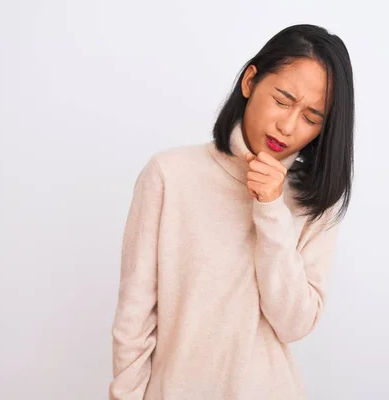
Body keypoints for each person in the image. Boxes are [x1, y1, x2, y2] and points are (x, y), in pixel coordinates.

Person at [109, 23, 354, 400]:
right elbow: (134, 320)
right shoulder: (169, 175)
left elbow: (294, 323)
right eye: (283, 100)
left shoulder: (315, 201)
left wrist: (271, 209)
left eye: (310, 118)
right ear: (250, 81)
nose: (287, 126)